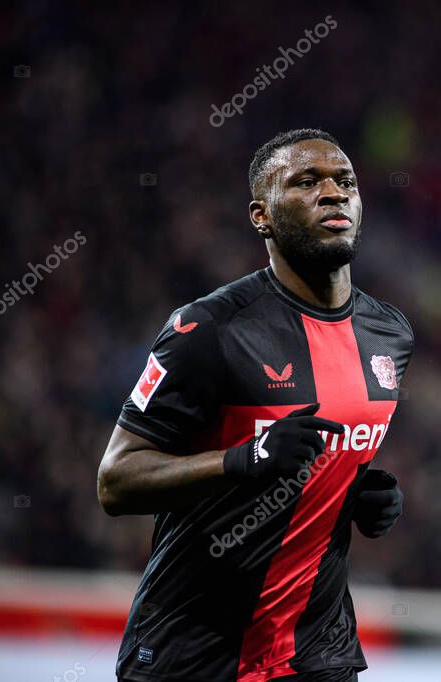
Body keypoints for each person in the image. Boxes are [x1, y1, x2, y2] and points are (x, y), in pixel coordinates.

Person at [97, 129, 413, 682]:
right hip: (194, 652)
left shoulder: (389, 333)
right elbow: (116, 481)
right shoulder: (208, 328)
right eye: (306, 182)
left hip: (318, 655)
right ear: (260, 216)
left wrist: (354, 492)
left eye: (346, 181)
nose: (334, 193)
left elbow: (315, 458)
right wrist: (239, 461)